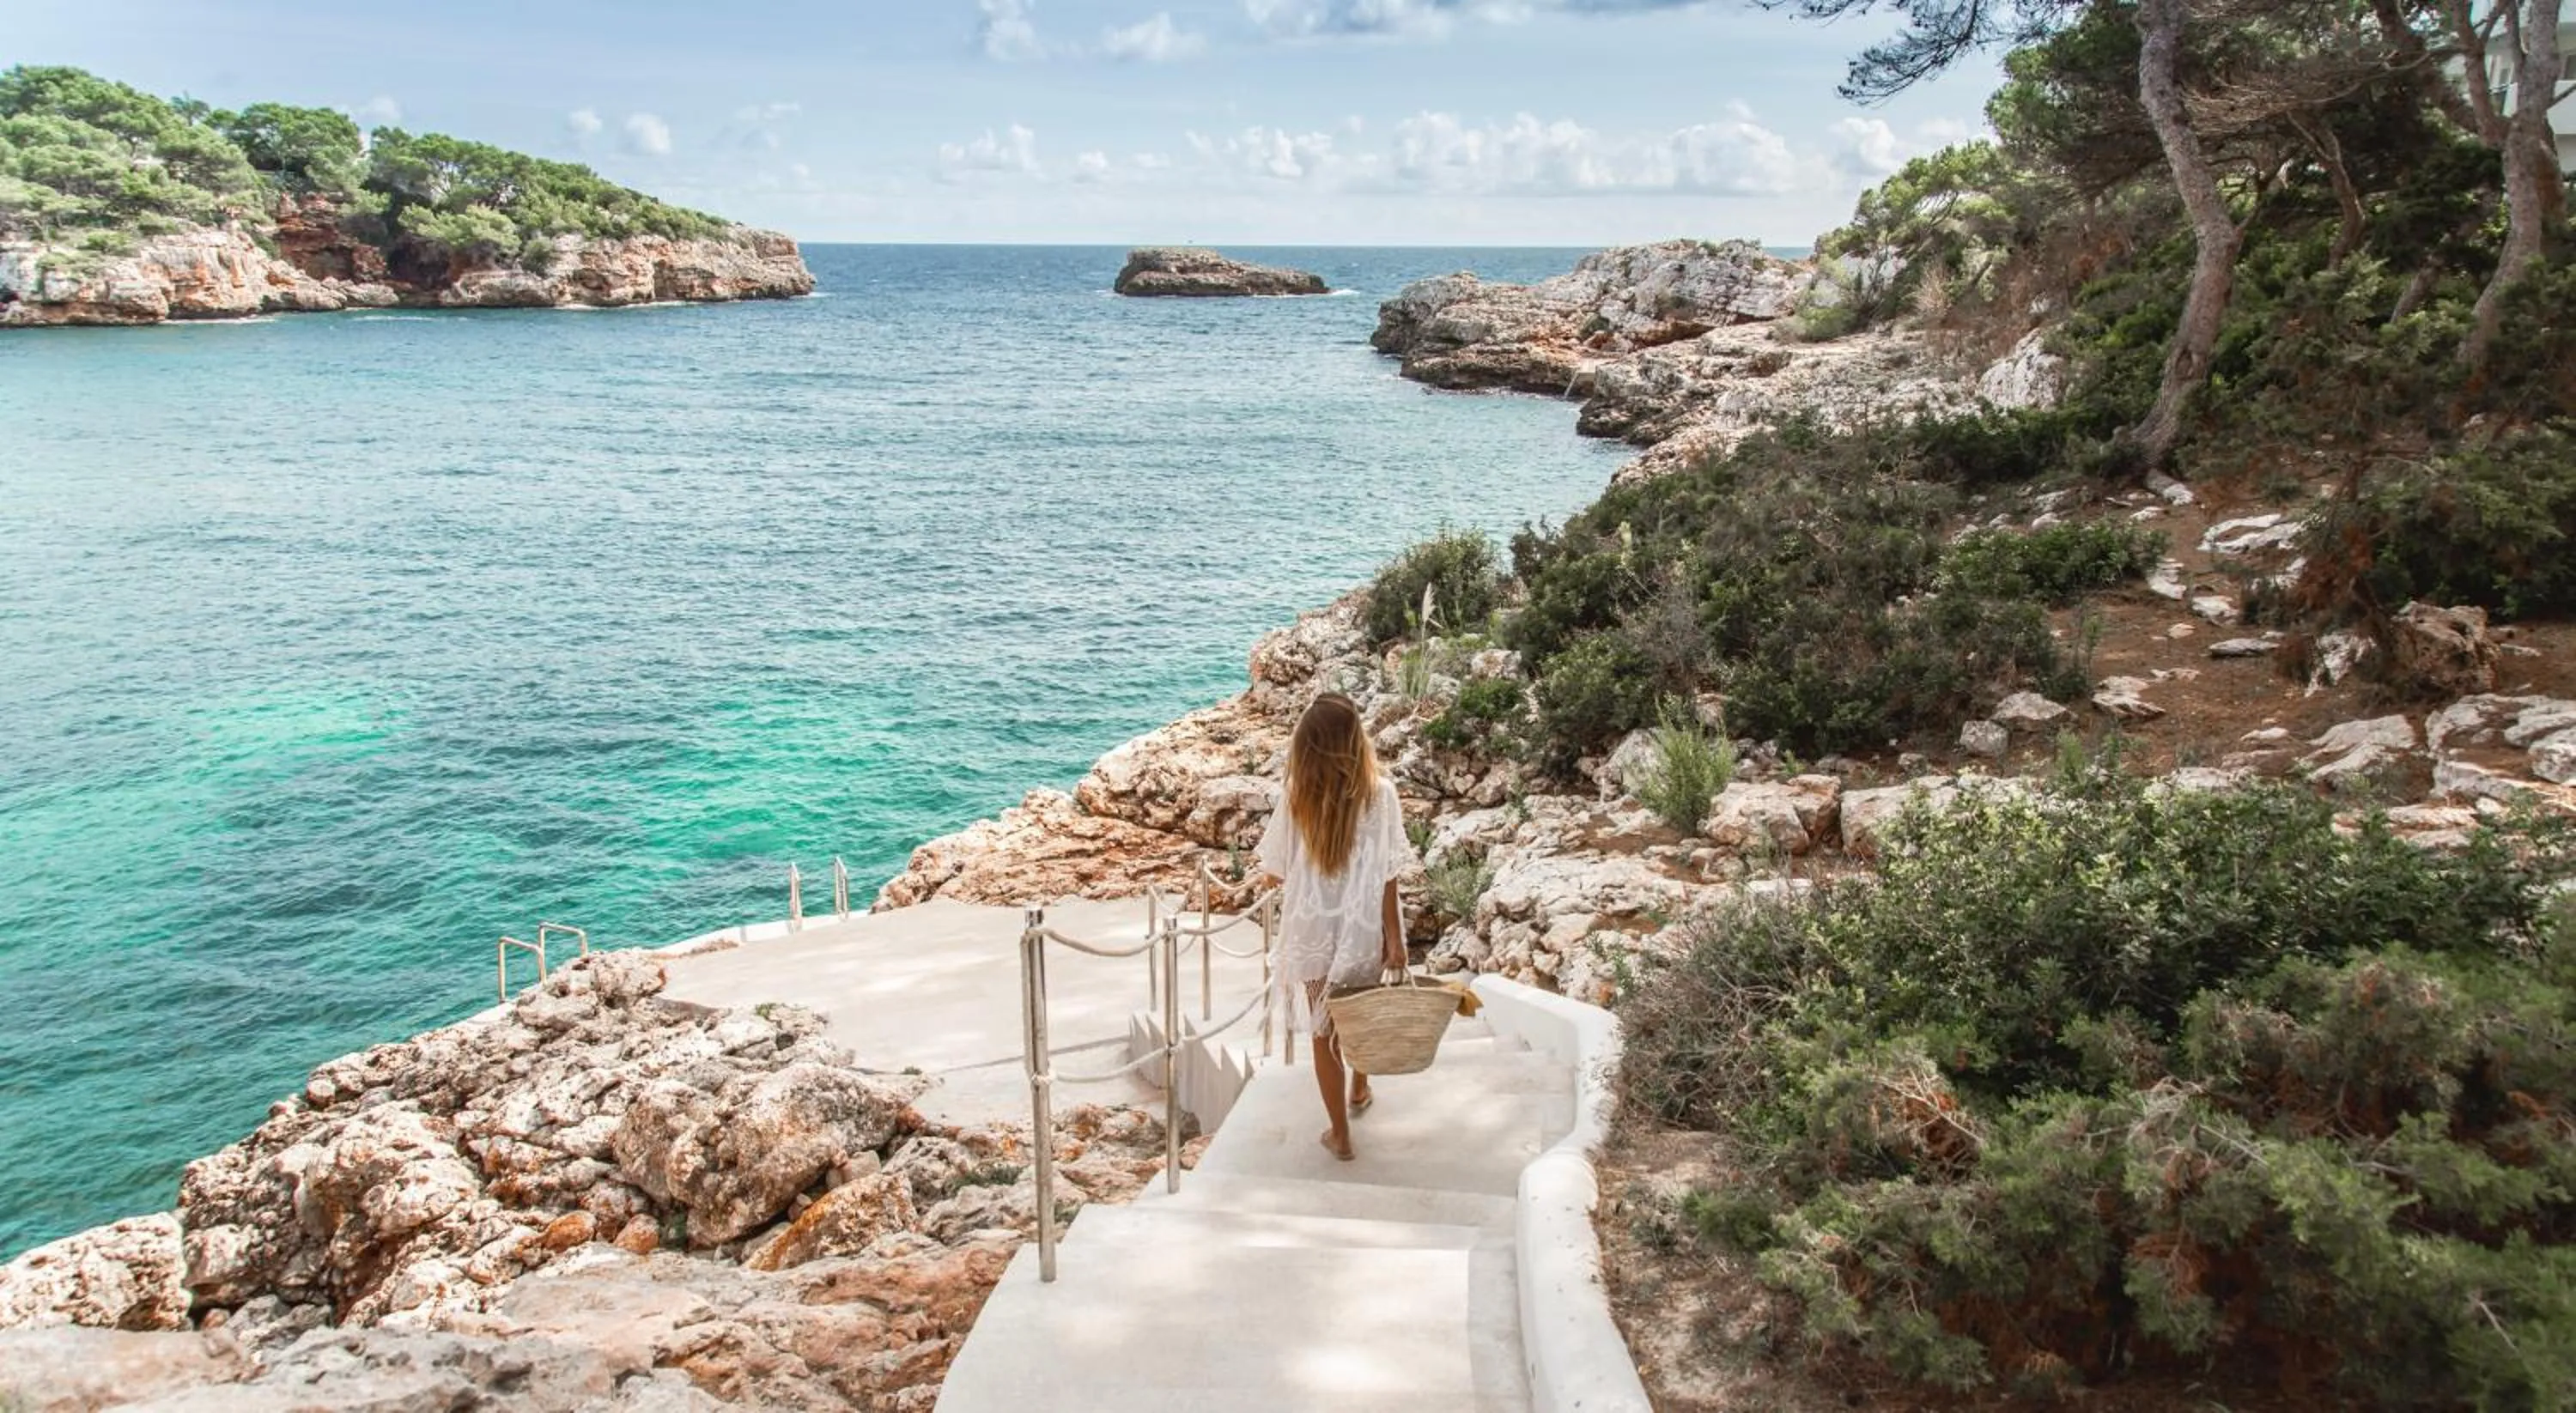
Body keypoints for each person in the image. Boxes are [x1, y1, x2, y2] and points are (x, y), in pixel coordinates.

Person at [1251, 691, 1413, 1161]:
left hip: (1312, 927)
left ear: (1307, 746)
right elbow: (1388, 872)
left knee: (1324, 1030)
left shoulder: (1299, 795)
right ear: (1354, 740)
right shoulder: (1380, 794)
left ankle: (1340, 1135)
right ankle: (1359, 1087)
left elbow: (1276, 868)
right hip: (1361, 927)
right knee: (1357, 1014)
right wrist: (1394, 938)